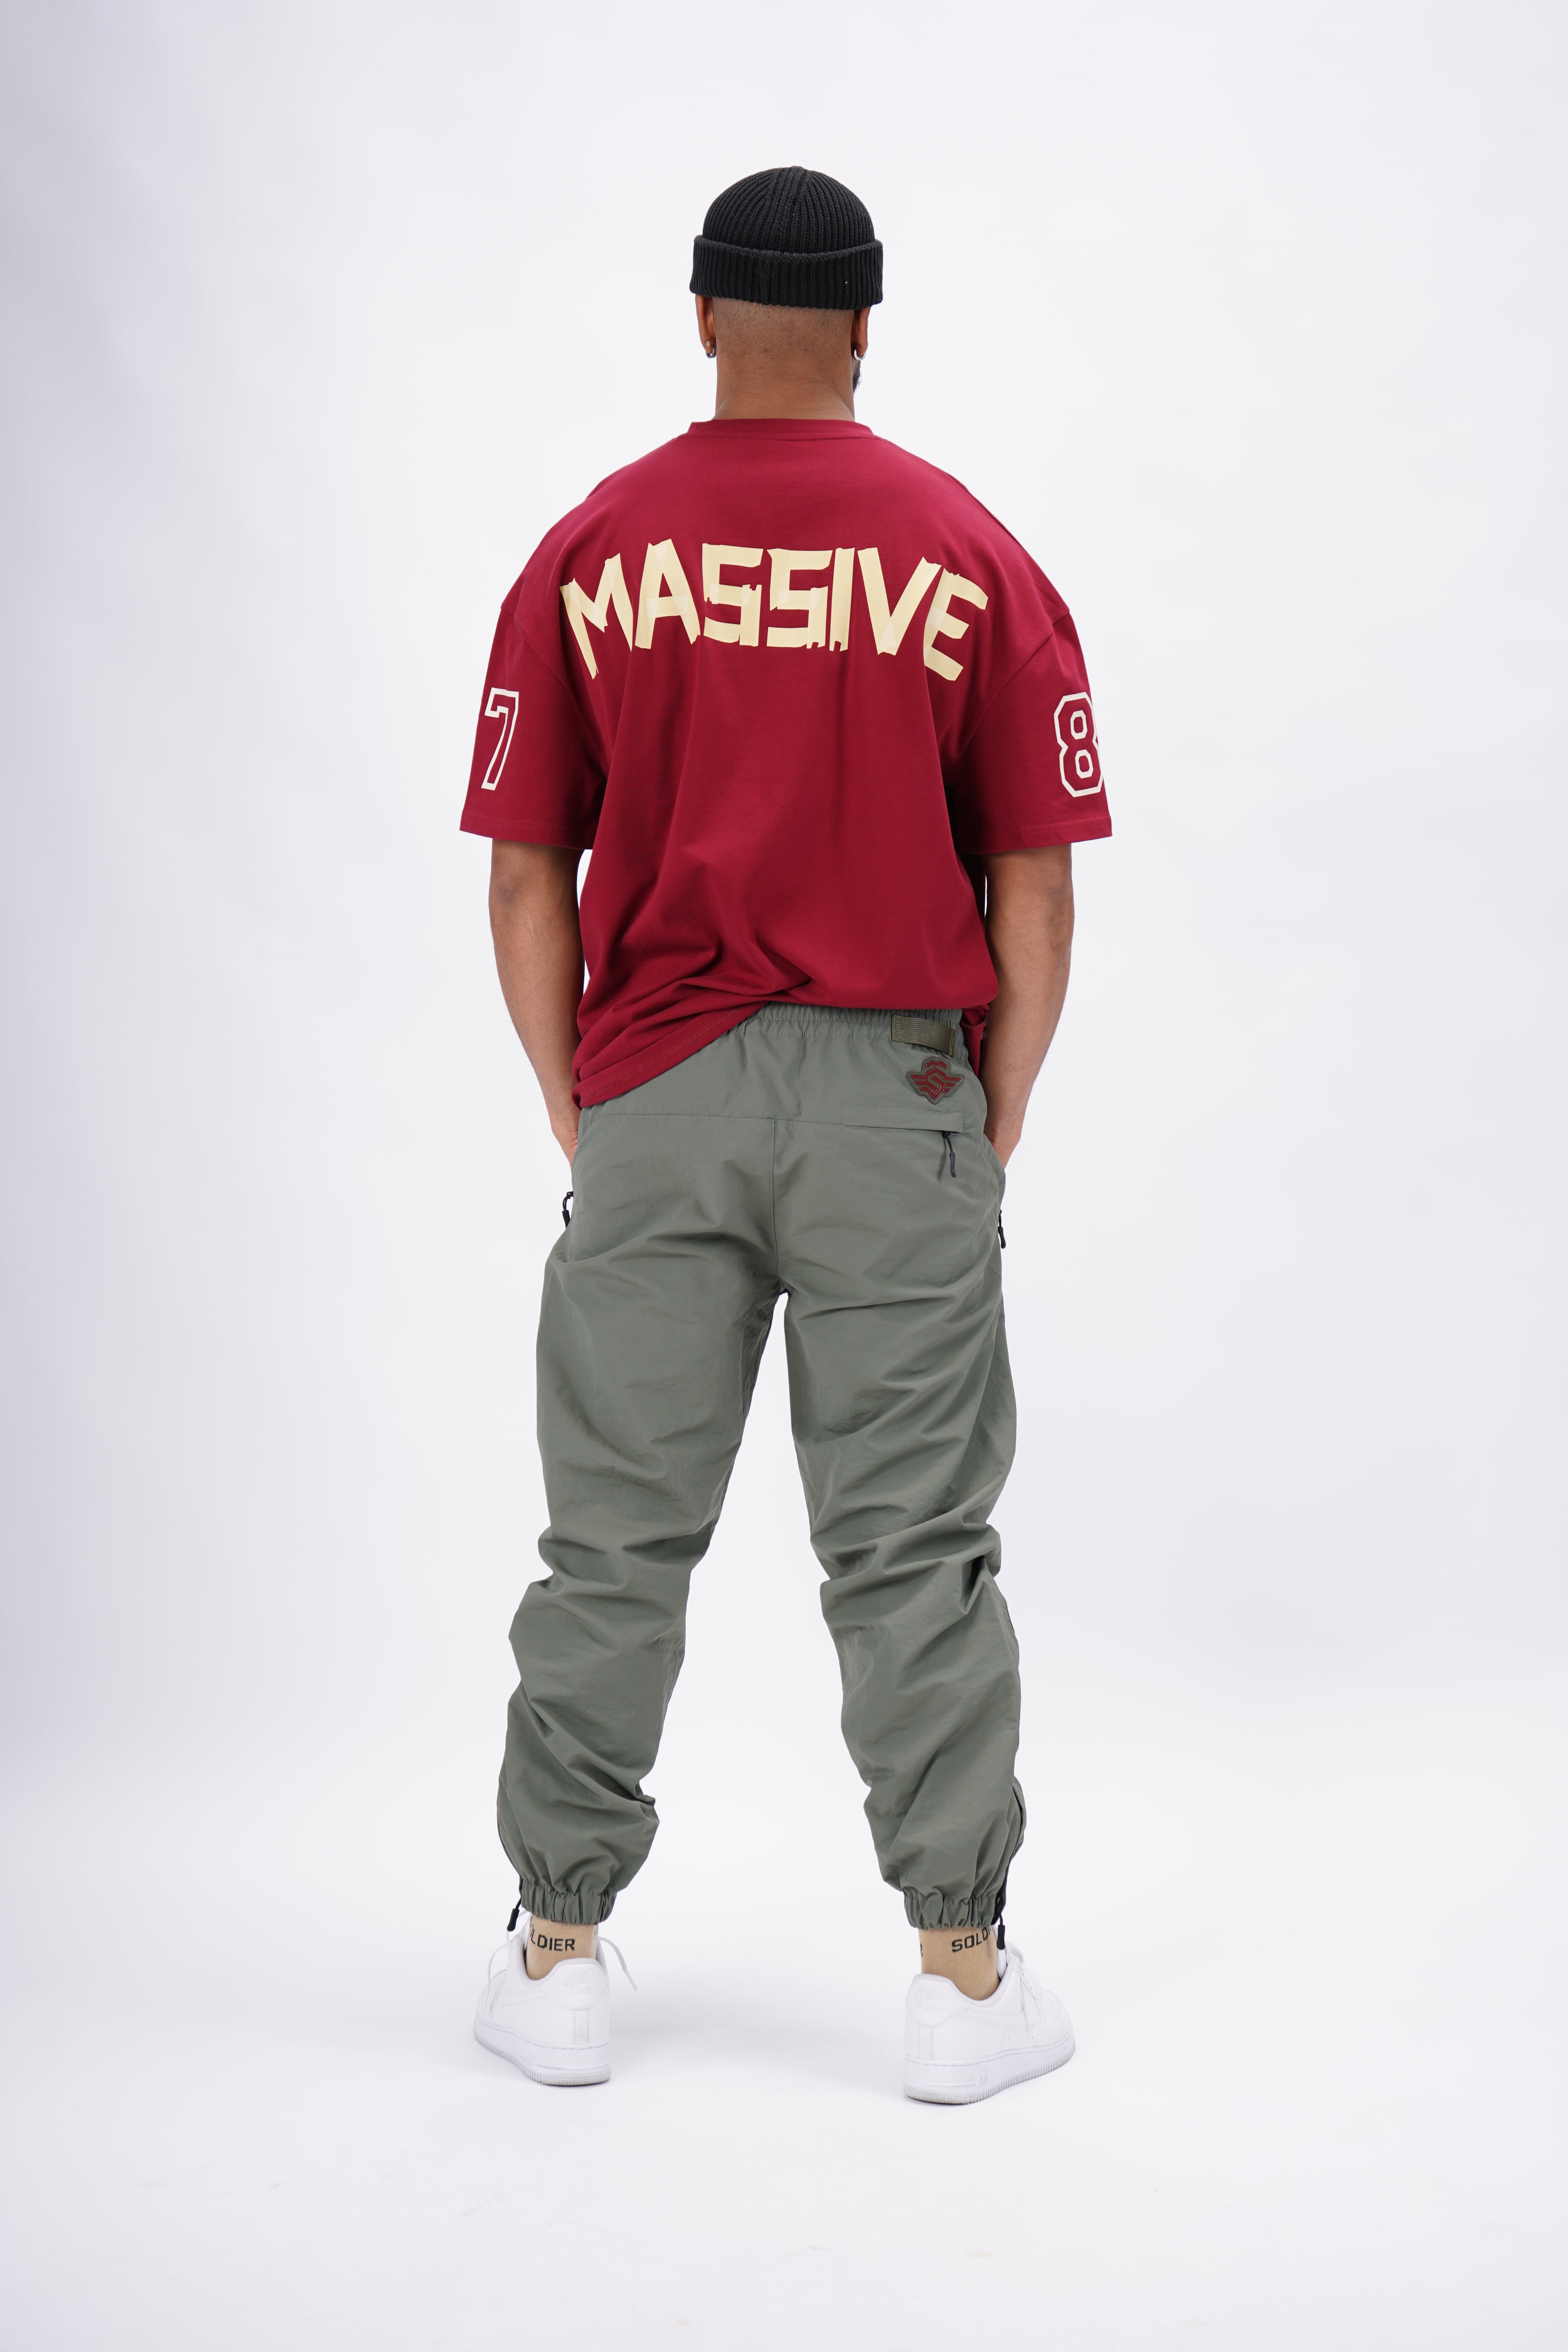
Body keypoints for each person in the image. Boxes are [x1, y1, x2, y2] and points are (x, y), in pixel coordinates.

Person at [463, 166, 1111, 2103]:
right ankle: (964, 1983)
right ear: (864, 329)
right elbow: (1037, 885)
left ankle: (557, 1953)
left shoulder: (592, 551)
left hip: (656, 1085)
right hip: (897, 1098)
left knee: (613, 1538)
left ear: (700, 319)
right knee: (912, 1544)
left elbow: (525, 873)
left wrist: (591, 1102)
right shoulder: (968, 555)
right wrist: (984, 1118)